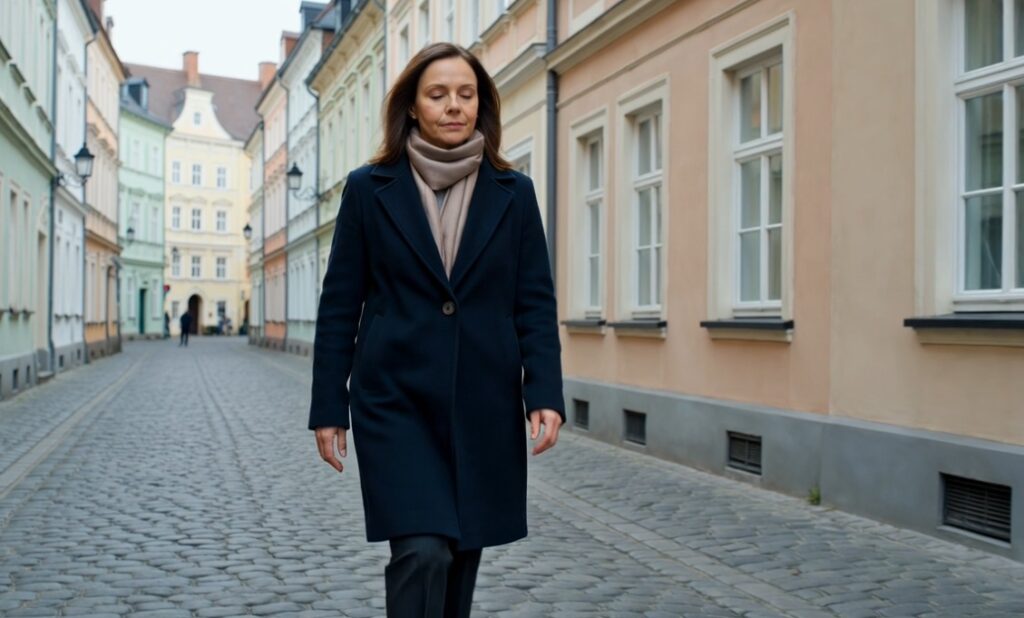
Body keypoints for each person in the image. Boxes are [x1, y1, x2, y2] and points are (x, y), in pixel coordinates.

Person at [308, 42, 564, 618]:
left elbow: (533, 301)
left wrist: (543, 391)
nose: (454, 105)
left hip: (483, 402)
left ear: (482, 104)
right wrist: (330, 404)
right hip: (394, 402)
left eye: (466, 94)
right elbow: (340, 305)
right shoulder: (369, 189)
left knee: (459, 558)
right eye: (438, 94)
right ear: (413, 107)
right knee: (422, 552)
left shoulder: (513, 193)